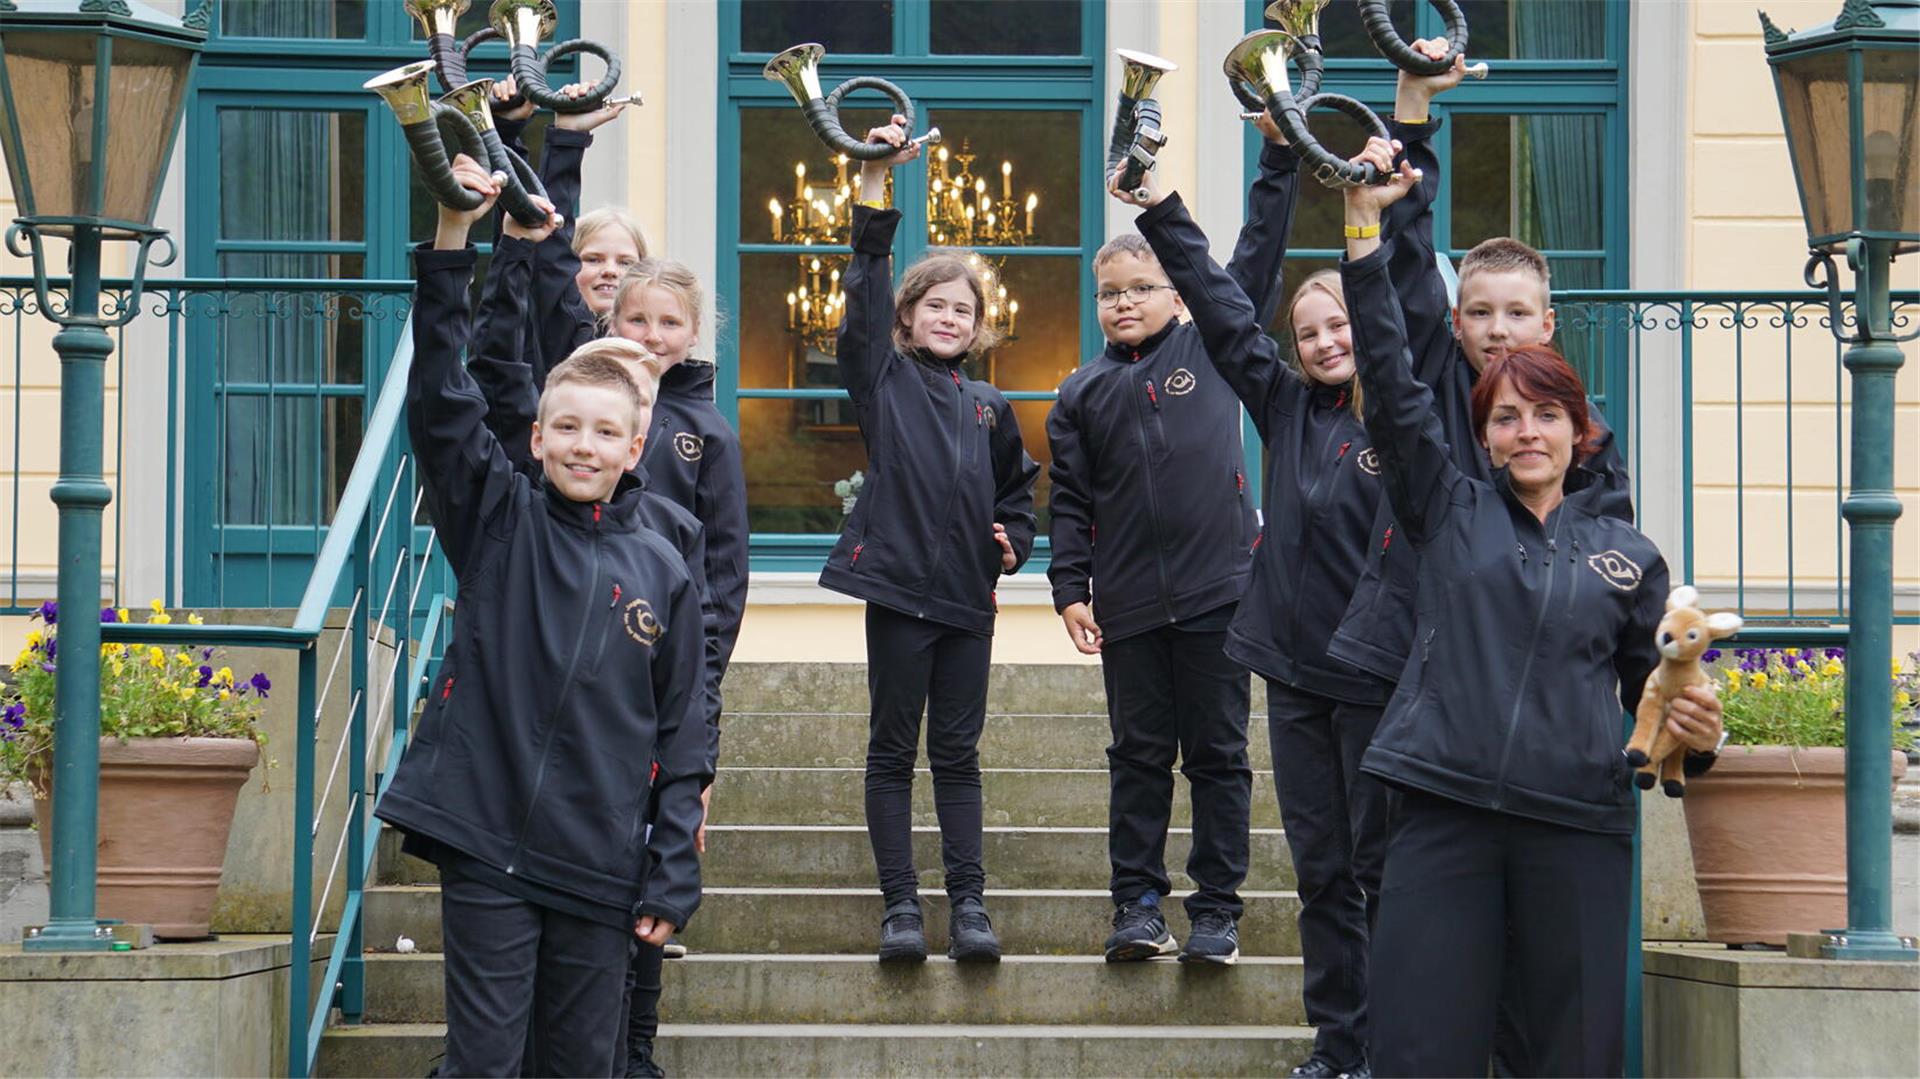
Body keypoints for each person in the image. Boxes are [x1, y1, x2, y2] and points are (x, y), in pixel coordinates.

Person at [1337, 138, 1725, 1077]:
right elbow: (1390, 382)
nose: (1526, 430)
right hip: (1442, 812)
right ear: (1483, 434)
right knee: (1420, 1049)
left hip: (1578, 826)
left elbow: (1659, 695)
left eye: (1545, 414)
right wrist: (1362, 232)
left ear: (1578, 426)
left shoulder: (1631, 557)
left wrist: (1700, 730)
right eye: (1505, 417)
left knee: (1573, 1056)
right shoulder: (1447, 507)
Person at [377, 155, 708, 1077]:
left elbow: (684, 729)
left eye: (605, 432)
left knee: (581, 1066)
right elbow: (443, 398)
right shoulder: (498, 517)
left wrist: (673, 862)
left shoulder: (664, 560)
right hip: (487, 840)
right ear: (536, 435)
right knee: (483, 1065)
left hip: (600, 861)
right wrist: (456, 242)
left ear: (634, 444)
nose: (584, 445)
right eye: (566, 427)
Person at [1117, 132, 1391, 1072]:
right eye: (1311, 329)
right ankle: (1338, 1041)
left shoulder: (1399, 413)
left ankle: (1396, 1043)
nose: (1325, 341)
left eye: (1342, 325)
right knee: (1321, 873)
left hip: (1378, 678)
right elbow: (1226, 314)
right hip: (1295, 671)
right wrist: (1159, 211)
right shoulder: (1282, 405)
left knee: (1378, 872)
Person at [1047, 123, 1299, 966]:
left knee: (1220, 756)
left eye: (1141, 287)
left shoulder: (1211, 346)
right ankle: (1137, 906)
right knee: (1139, 757)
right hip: (1127, 604)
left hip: (1220, 592)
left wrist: (1278, 158)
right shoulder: (1081, 390)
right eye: (1108, 293)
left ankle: (1218, 910)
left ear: (1180, 296)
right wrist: (1070, 586)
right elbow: (1072, 499)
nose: (1122, 302)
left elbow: (1257, 255)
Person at [817, 115, 1039, 964]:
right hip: (901, 592)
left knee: (958, 752)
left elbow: (1020, 493)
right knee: (891, 748)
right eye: (934, 306)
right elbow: (863, 297)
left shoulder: (990, 406)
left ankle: (970, 906)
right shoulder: (884, 377)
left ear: (979, 326)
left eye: (964, 309)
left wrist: (1011, 543)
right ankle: (901, 908)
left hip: (967, 600)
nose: (950, 317)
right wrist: (873, 185)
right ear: (907, 321)